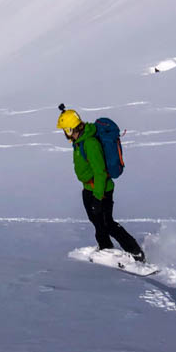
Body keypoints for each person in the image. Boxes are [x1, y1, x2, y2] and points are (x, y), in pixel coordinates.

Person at [57, 107, 145, 261]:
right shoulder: (79, 141)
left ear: (71, 129)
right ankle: (106, 249)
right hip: (89, 189)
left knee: (107, 223)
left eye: (65, 130)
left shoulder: (90, 143)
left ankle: (135, 252)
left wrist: (98, 197)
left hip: (101, 189)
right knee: (97, 222)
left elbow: (100, 172)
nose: (64, 133)